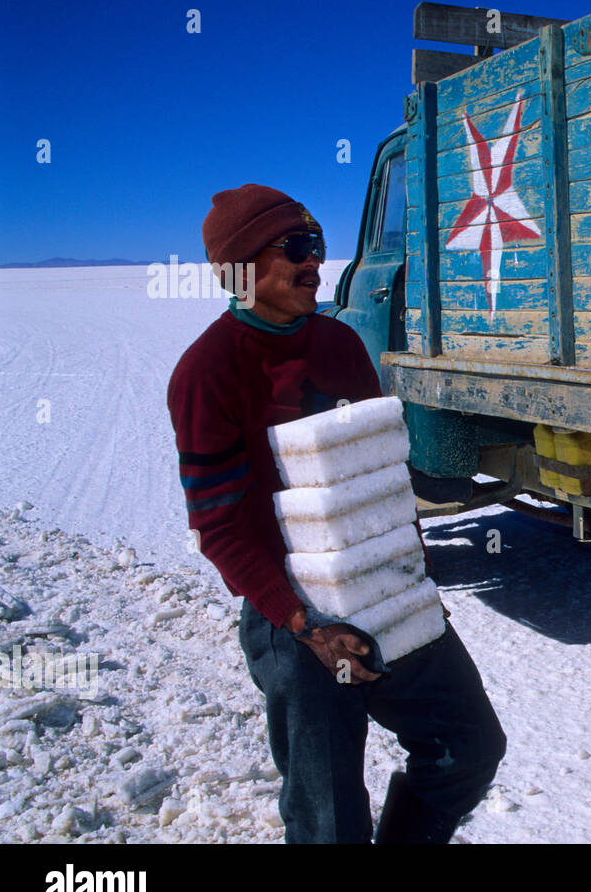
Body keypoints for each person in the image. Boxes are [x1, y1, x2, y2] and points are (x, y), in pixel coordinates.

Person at [166, 183, 506, 843]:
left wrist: (412, 582)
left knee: (469, 744)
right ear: (239, 267)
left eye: (316, 245)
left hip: (379, 588)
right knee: (328, 822)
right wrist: (303, 624)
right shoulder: (206, 372)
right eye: (294, 248)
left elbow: (379, 478)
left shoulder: (341, 345)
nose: (313, 262)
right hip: (290, 610)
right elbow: (219, 525)